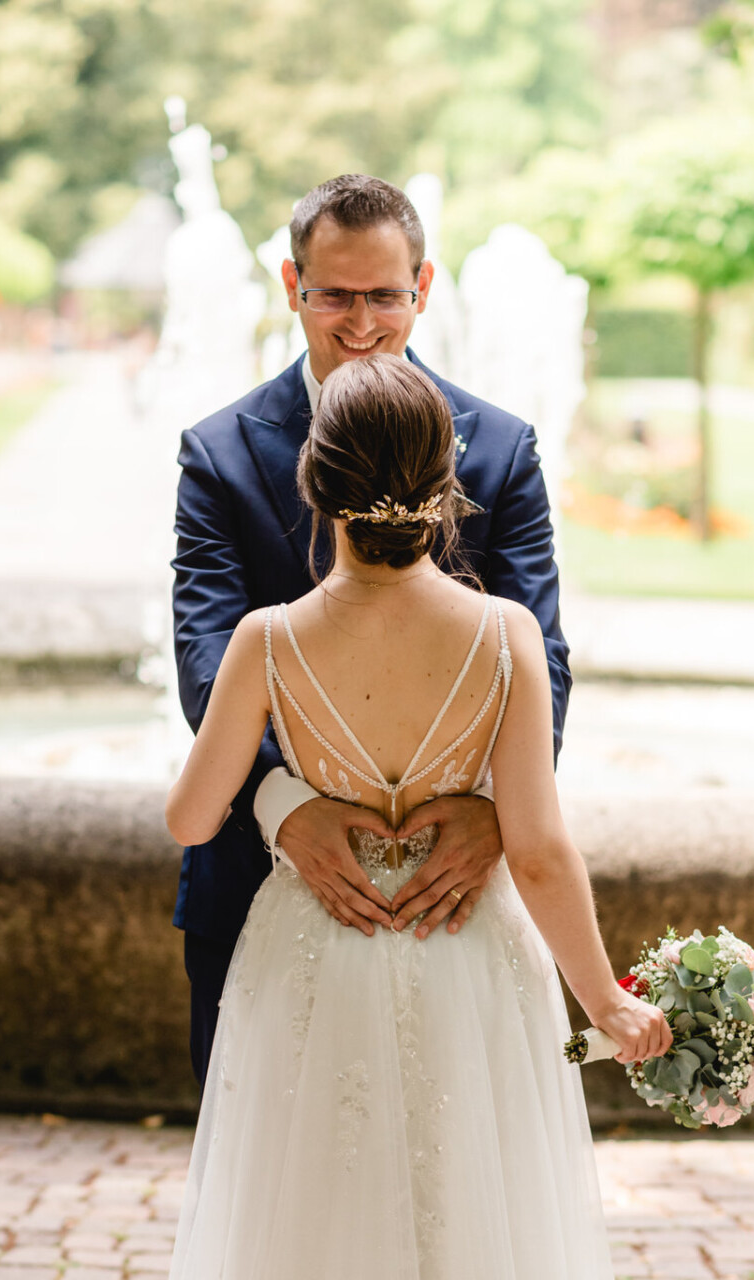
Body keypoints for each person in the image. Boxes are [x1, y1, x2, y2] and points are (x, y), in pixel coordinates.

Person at [113, 352, 670, 1280]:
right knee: (470, 1234)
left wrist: (281, 795)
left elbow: (193, 816)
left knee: (306, 1242)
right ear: (448, 488)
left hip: (312, 959)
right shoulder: (502, 639)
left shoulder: (267, 640)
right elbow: (538, 851)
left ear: (316, 486)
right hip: (464, 955)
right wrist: (609, 1003)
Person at [171, 173, 570, 1083]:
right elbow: (206, 656)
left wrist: (499, 816)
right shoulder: (219, 451)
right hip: (257, 887)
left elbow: (541, 654)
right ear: (291, 285)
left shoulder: (502, 449)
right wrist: (282, 806)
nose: (361, 322)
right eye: (335, 295)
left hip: (454, 902)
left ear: (423, 288)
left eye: (385, 295)